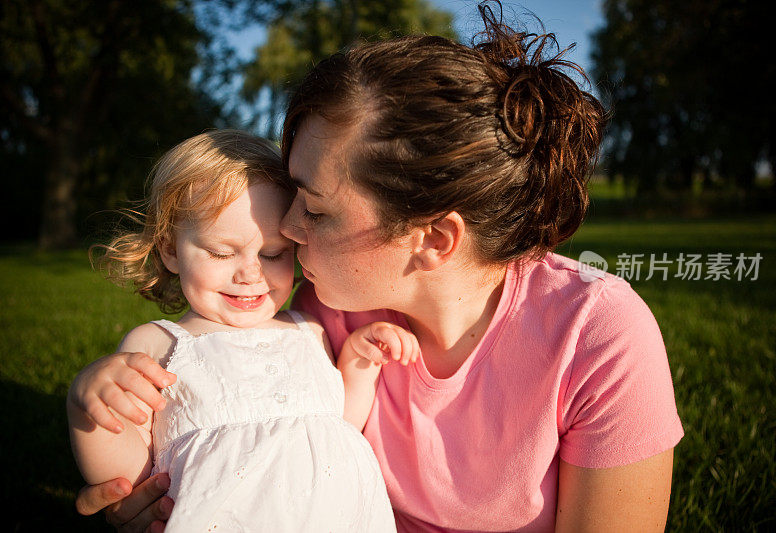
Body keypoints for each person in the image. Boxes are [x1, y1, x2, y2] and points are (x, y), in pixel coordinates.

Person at [75, 3, 684, 531]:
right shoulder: (314, 315)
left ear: (433, 239)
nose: (285, 231)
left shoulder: (597, 336)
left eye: (314, 209)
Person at [67, 130, 411, 532]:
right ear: (169, 249)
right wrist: (85, 406)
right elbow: (130, 472)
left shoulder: (307, 328)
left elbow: (337, 426)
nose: (251, 273)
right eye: (222, 252)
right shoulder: (156, 345)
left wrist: (358, 362)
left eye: (273, 254)